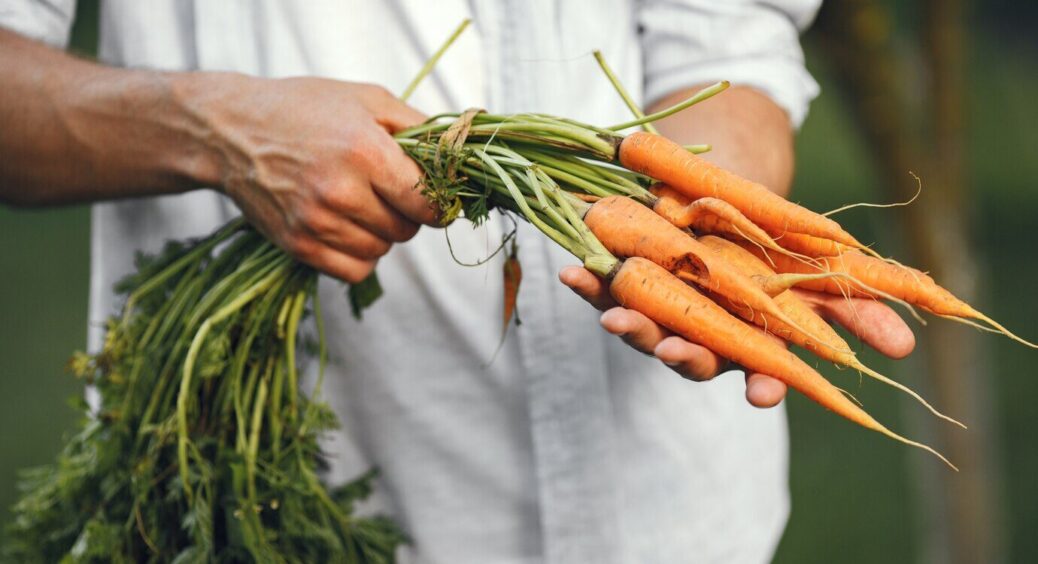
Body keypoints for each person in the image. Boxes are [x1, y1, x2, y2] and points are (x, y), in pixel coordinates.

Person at [0, 1, 915, 562]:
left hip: (670, 518)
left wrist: (725, 218)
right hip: (347, 487)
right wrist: (216, 129)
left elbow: (729, 32)